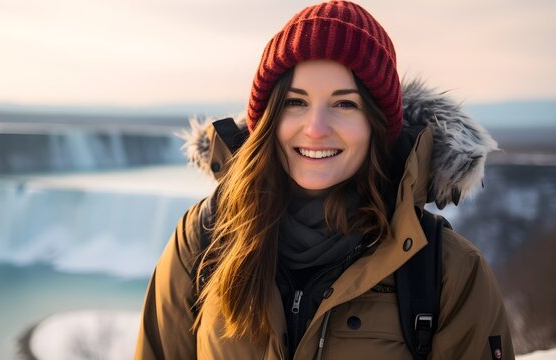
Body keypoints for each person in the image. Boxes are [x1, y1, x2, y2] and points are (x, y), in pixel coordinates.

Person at [135, 1, 514, 359]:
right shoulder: (203, 239)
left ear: (376, 126)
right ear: (268, 119)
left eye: (344, 104)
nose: (315, 129)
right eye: (295, 102)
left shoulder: (446, 272)